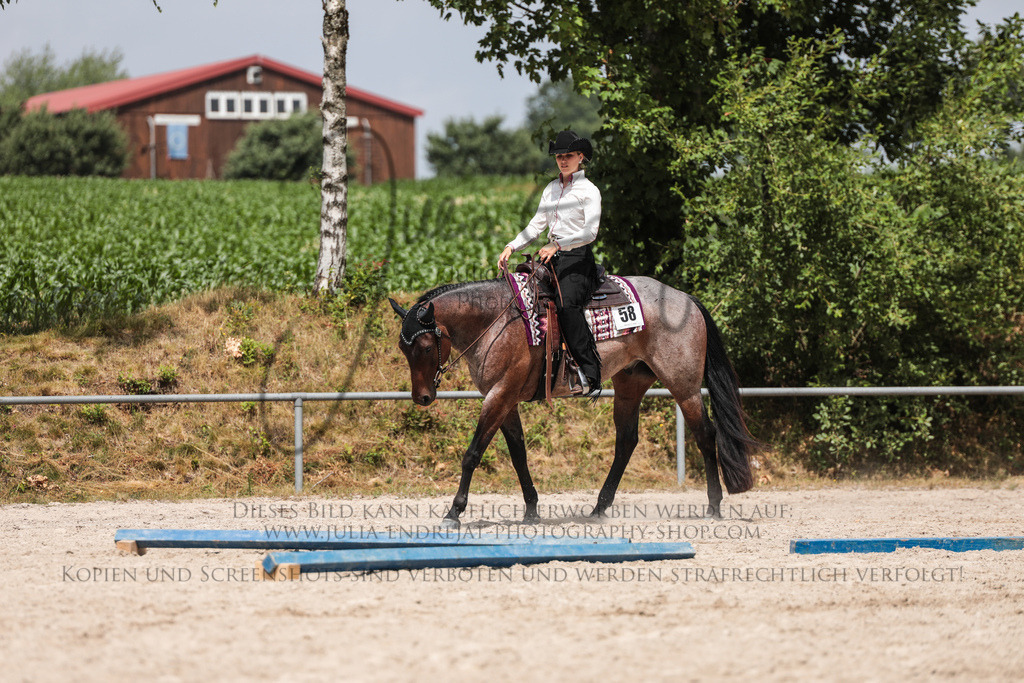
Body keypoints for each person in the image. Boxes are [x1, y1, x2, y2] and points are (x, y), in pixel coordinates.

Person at [498, 129, 602, 396]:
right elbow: (536, 226)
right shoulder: (551, 188)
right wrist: (512, 245)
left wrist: (558, 243)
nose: (563, 160)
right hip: (550, 256)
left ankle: (590, 372)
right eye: (559, 156)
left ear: (581, 157)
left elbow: (590, 232)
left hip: (577, 258)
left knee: (567, 307)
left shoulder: (589, 191)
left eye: (568, 155)